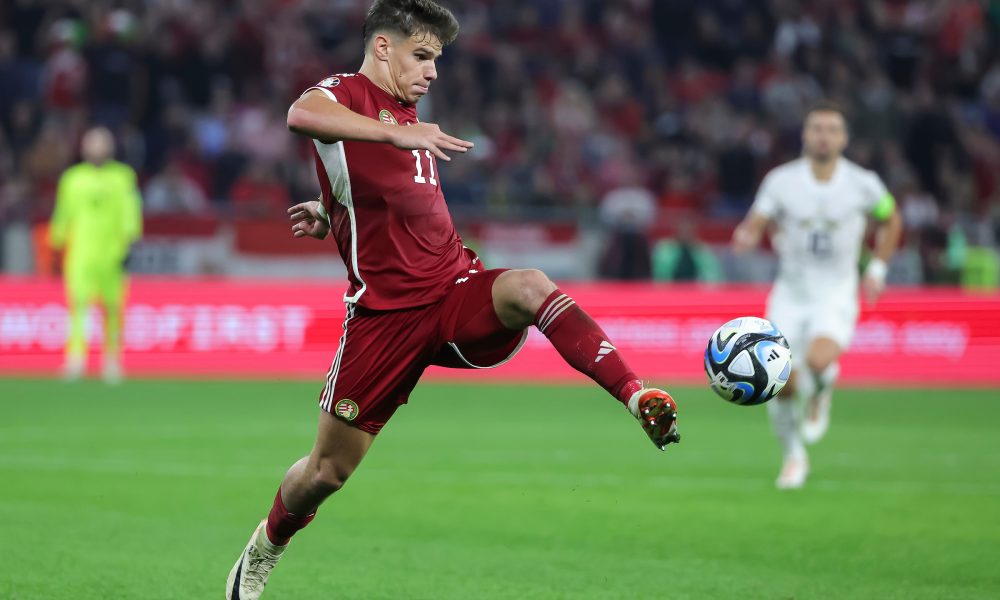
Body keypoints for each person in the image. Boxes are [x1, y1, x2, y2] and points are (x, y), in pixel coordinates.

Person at [225, 1, 680, 598]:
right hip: (383, 319)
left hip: (452, 290)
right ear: (382, 47)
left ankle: (636, 393)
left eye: (436, 58)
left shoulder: (407, 114)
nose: (432, 71)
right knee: (326, 473)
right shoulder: (346, 94)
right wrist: (375, 159)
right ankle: (266, 545)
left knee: (530, 285)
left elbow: (383, 192)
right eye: (422, 55)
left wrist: (334, 206)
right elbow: (301, 114)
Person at [732, 101, 902, 489]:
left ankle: (821, 391)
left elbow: (891, 218)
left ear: (844, 138)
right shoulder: (781, 181)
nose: (824, 136)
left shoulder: (863, 183)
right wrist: (748, 233)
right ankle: (793, 456)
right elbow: (758, 218)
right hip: (790, 293)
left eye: (832, 129)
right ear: (805, 135)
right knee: (780, 383)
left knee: (819, 359)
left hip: (836, 292)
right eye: (817, 129)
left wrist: (877, 268)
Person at [49, 126, 143, 383]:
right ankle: (76, 359)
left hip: (112, 253)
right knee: (78, 306)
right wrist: (56, 242)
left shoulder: (123, 177)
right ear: (83, 147)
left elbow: (130, 211)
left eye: (102, 143)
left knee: (113, 308)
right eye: (93, 143)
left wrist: (130, 241)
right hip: (81, 252)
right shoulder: (72, 178)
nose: (98, 148)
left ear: (111, 148)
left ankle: (112, 360)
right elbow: (63, 212)